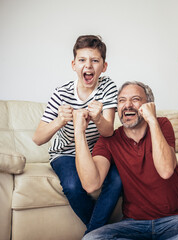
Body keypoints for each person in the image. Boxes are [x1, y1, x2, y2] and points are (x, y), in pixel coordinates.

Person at [74, 81, 178, 240]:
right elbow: (90, 184)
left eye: (135, 99)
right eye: (122, 100)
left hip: (173, 221)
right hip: (133, 225)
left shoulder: (162, 124)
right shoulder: (109, 140)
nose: (127, 105)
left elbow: (166, 170)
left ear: (149, 105)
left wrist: (152, 120)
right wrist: (79, 132)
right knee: (91, 238)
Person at [32, 35, 122, 234]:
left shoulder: (108, 87)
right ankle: (103, 233)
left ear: (104, 66)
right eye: (82, 60)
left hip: (98, 152)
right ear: (74, 65)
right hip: (65, 153)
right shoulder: (60, 93)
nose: (88, 66)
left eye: (95, 60)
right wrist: (60, 121)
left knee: (117, 180)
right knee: (73, 186)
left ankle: (94, 235)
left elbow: (107, 131)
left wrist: (98, 118)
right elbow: (38, 138)